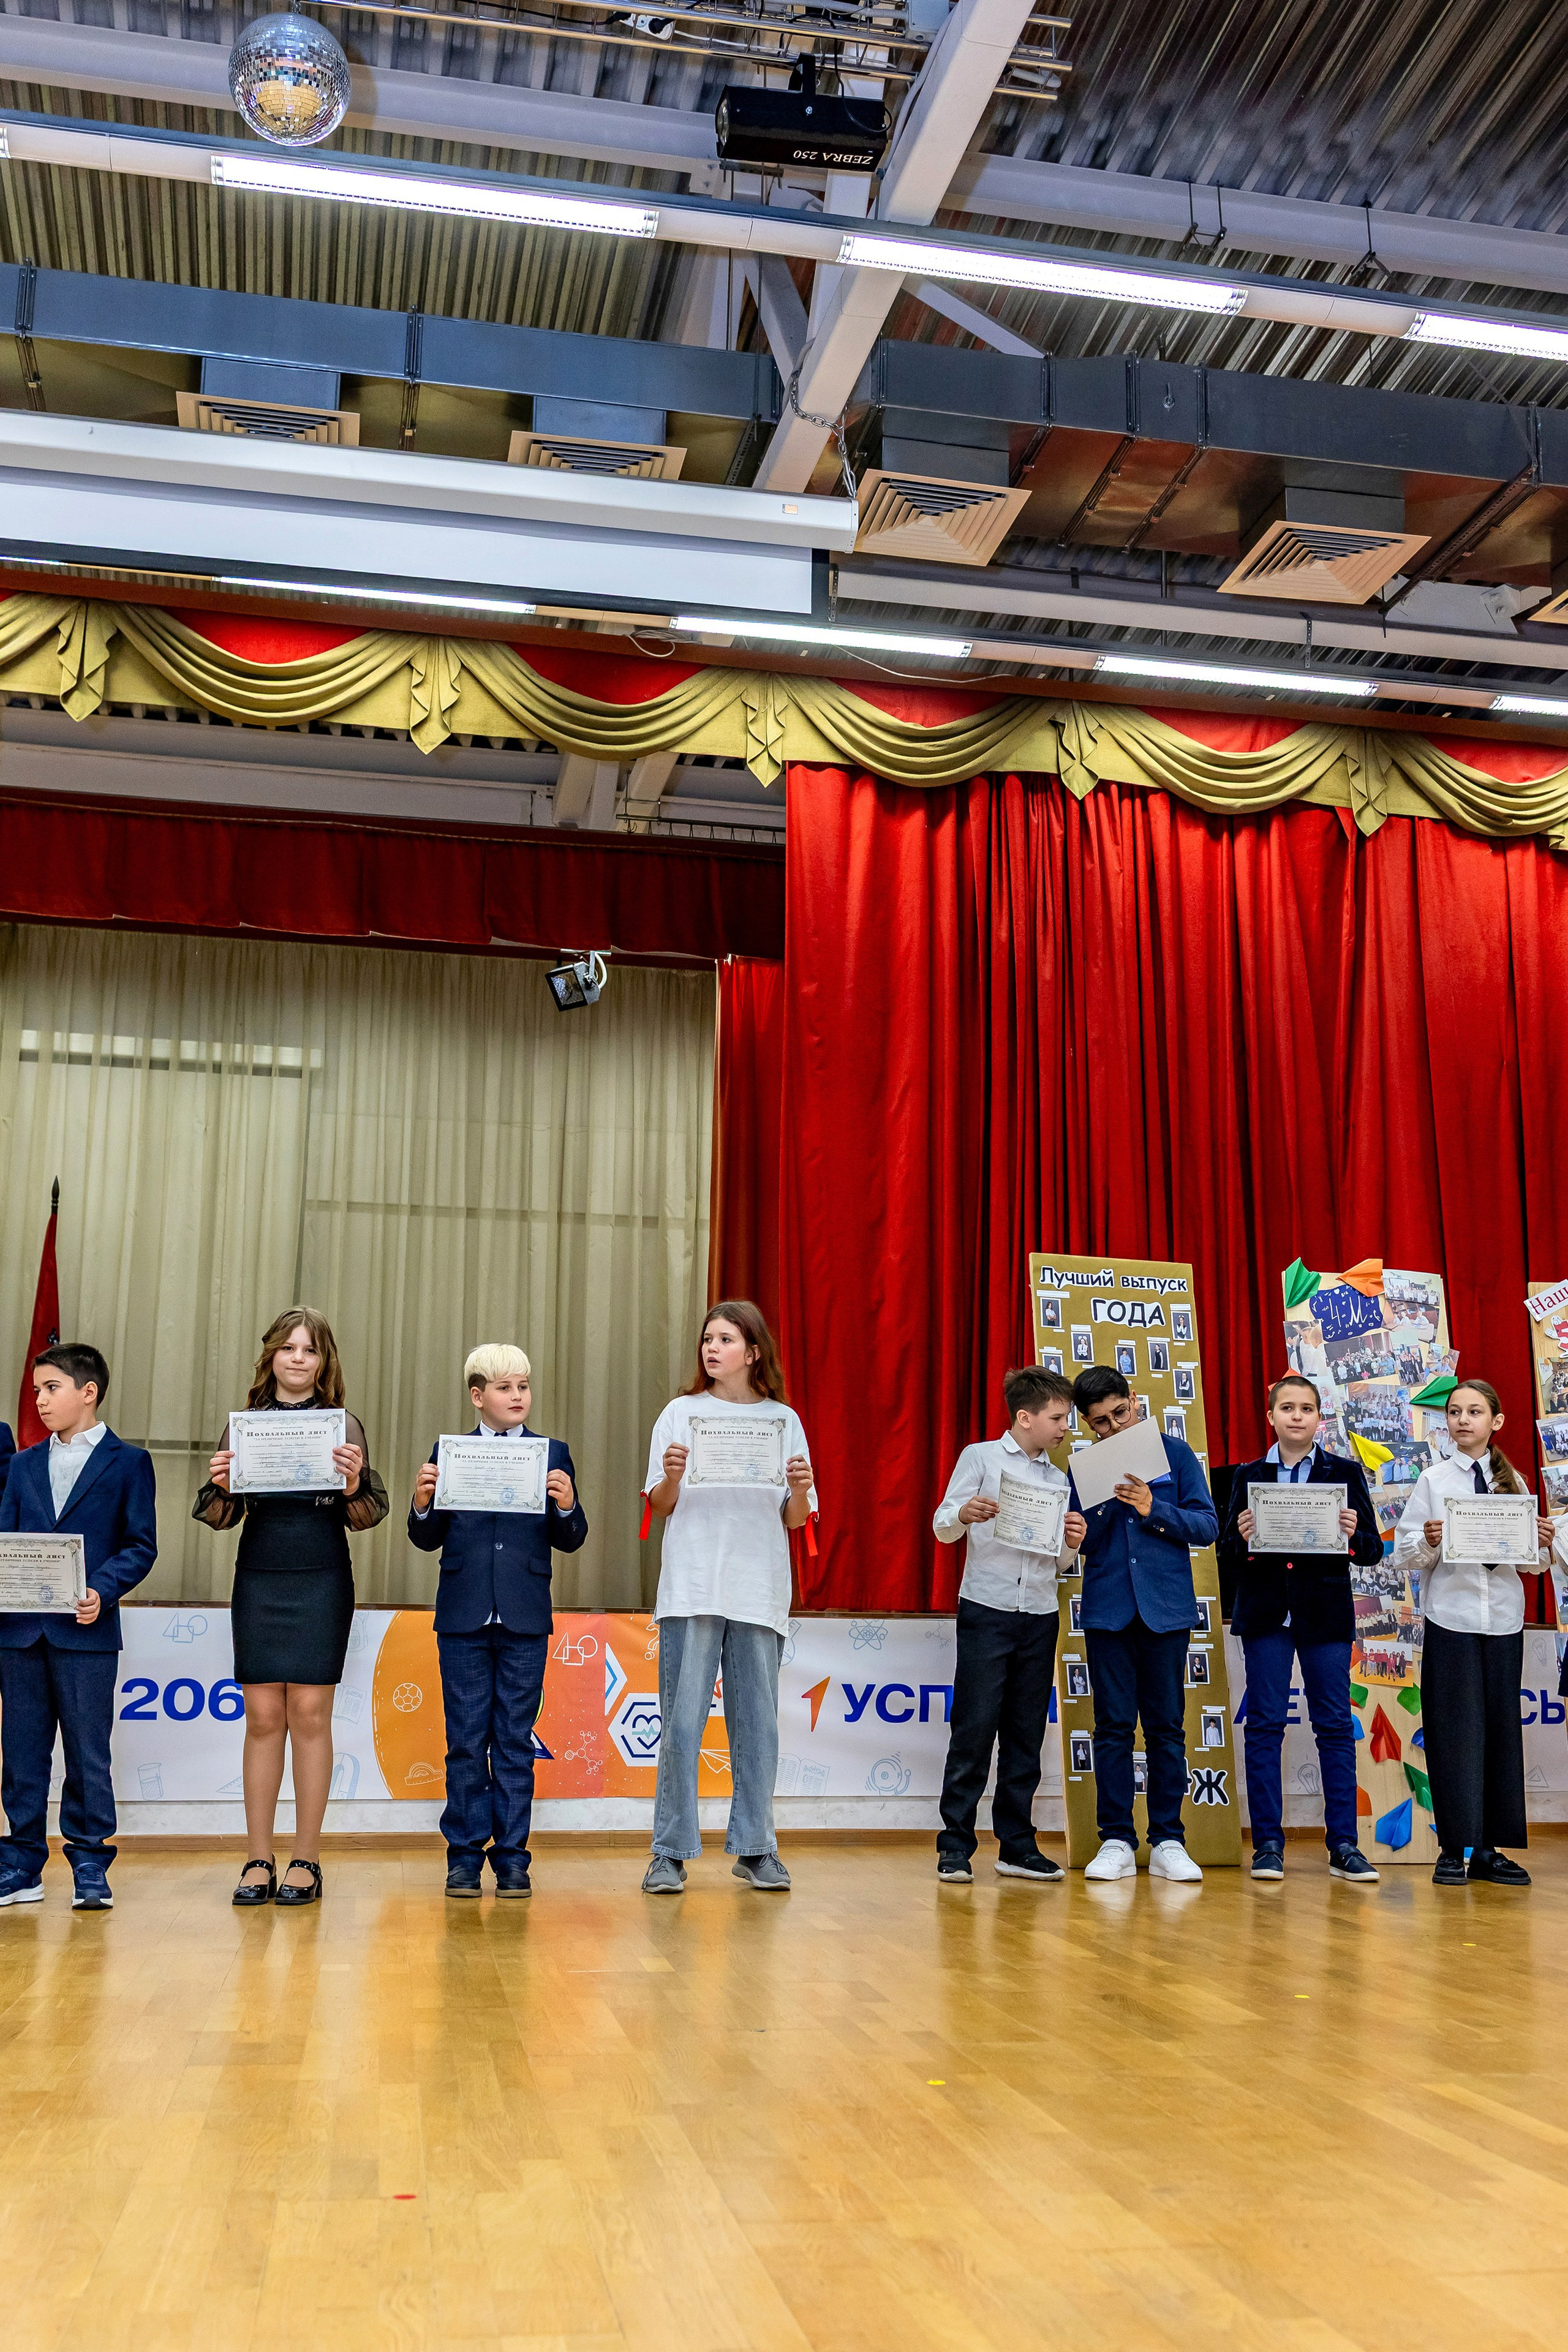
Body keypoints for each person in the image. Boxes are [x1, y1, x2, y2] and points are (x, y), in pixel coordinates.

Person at [194, 1308, 388, 1908]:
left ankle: (307, 1858)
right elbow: (217, 1516)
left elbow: (369, 1513)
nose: (298, 1358)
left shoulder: (343, 1425)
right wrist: (222, 1484)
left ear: (324, 1361)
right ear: (271, 1356)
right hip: (260, 1577)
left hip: (322, 1577)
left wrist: (354, 1486)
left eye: (310, 1350)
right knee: (260, 1719)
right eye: (288, 1348)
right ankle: (257, 1857)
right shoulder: (245, 1426)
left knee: (308, 1716)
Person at [641, 1300, 814, 1895]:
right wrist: (668, 1474)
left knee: (757, 1726)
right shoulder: (679, 1414)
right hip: (692, 1585)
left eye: (725, 1339)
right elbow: (660, 1504)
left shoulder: (782, 1420)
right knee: (682, 1723)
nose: (712, 1349)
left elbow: (795, 1519)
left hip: (758, 1587)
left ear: (754, 1352)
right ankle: (669, 1852)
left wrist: (798, 1488)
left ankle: (756, 1848)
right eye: (707, 1339)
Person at [409, 1343, 588, 1899]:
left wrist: (566, 1505)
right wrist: (422, 1503)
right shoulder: (450, 1450)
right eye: (505, 1388)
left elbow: (572, 1538)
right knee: (465, 1741)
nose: (517, 1397)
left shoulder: (552, 1452)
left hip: (525, 1617)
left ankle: (512, 1860)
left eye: (524, 1386)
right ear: (477, 1395)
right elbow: (425, 1537)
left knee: (513, 1741)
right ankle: (463, 1859)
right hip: (462, 1615)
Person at [0, 1344, 156, 1910]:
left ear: (88, 1392)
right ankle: (20, 1864)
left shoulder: (130, 1462)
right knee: (20, 1754)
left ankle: (91, 1862)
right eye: (37, 1390)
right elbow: (7, 1543)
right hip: (19, 1635)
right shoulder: (20, 1466)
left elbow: (141, 1545)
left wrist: (101, 1590)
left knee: (89, 1752)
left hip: (87, 1632)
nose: (39, 1400)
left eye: (51, 1388)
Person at [1217, 1373, 1382, 1885]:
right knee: (1265, 1724)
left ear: (1318, 1418)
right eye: (1286, 1408)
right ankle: (1268, 1843)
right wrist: (1243, 1536)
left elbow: (1373, 1551)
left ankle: (1344, 1846)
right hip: (1266, 1616)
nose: (1296, 1416)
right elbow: (1224, 1550)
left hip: (1325, 1618)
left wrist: (1354, 1536)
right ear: (1270, 1417)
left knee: (1334, 1727)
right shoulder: (1248, 1473)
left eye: (1306, 1408)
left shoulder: (1344, 1472)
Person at [931, 1366, 1087, 1885]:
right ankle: (955, 1846)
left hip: (1040, 1614)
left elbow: (1059, 1564)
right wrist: (965, 1513)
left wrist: (1074, 1540)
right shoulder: (980, 1457)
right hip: (987, 1608)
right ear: (1025, 1418)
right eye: (1058, 1417)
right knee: (973, 1729)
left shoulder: (1058, 1478)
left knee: (1025, 1734)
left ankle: (1017, 1845)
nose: (1067, 1427)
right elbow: (942, 1527)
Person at [1393, 1379, 1551, 1888]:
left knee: (1501, 1734)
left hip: (1504, 1620)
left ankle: (1490, 1850)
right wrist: (1431, 1540)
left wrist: (1541, 1541)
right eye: (1455, 1412)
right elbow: (1405, 1554)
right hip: (1452, 1620)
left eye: (1475, 1412)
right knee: (1454, 1735)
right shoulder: (1434, 1480)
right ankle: (1451, 1849)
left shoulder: (1516, 1482)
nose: (1463, 1420)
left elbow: (1531, 1567)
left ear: (1495, 1421)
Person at [1067, 1363, 1217, 1883]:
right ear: (1088, 1425)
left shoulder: (1174, 1455)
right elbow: (1081, 1541)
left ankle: (1169, 1839)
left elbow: (1207, 1525)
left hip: (1166, 1610)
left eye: (1120, 1414)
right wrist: (1085, 1522)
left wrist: (1155, 1507)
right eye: (1101, 1424)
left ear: (1135, 1400)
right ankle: (1116, 1839)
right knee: (1110, 1728)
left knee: (1166, 1729)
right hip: (1108, 1609)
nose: (1113, 1428)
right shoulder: (1082, 1468)